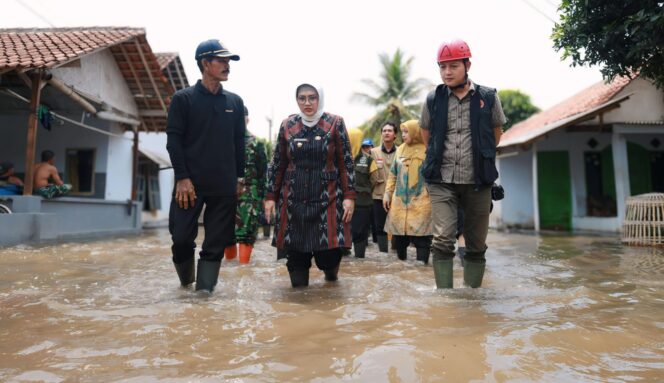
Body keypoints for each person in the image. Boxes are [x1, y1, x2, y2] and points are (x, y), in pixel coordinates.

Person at [420, 39, 506, 288]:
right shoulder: (433, 98)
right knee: (443, 240)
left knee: (477, 244)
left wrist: (480, 155)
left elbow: (496, 133)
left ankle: (473, 296)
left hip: (478, 180)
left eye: (453, 66)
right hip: (441, 180)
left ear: (467, 65)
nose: (447, 72)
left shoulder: (488, 97)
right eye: (442, 67)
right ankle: (445, 297)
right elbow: (427, 134)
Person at [166, 39, 245, 293]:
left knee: (215, 243)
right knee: (180, 239)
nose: (227, 66)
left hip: (223, 186)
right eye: (221, 60)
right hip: (189, 185)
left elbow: (238, 144)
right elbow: (174, 141)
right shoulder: (183, 99)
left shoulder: (235, 102)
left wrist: (240, 178)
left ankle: (203, 299)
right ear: (205, 63)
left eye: (228, 61)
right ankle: (185, 285)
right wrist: (182, 177)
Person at [265, 83, 356, 287]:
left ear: (320, 98)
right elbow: (278, 164)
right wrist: (270, 197)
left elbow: (346, 163)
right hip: (294, 200)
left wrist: (349, 196)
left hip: (327, 198)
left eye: (312, 97)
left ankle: (331, 281)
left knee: (329, 257)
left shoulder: (335, 123)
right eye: (302, 98)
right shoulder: (288, 125)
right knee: (296, 259)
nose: (307, 103)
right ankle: (298, 305)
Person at [383, 120, 432, 264]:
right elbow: (393, 174)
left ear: (416, 132)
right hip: (399, 204)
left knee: (422, 239)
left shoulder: (428, 150)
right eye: (402, 132)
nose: (403, 135)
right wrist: (387, 193)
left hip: (421, 203)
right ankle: (403, 271)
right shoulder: (400, 150)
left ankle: (421, 271)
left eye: (406, 132)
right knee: (399, 239)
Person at [224, 106, 268, 264]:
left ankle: (243, 271)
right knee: (225, 234)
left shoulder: (256, 143)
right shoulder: (221, 141)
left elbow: (263, 173)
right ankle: (229, 271)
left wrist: (264, 198)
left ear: (247, 120)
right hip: (224, 194)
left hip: (250, 195)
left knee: (246, 234)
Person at [369, 122, 398, 252]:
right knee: (380, 227)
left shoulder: (401, 151)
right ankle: (383, 257)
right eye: (384, 130)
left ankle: (397, 256)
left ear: (395, 135)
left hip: (397, 196)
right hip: (378, 195)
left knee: (397, 226)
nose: (386, 133)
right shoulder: (373, 152)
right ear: (381, 134)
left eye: (390, 131)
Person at [349, 130, 373, 258]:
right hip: (340, 202)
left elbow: (374, 180)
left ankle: (360, 260)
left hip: (362, 202)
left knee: (360, 233)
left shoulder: (368, 159)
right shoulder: (336, 156)